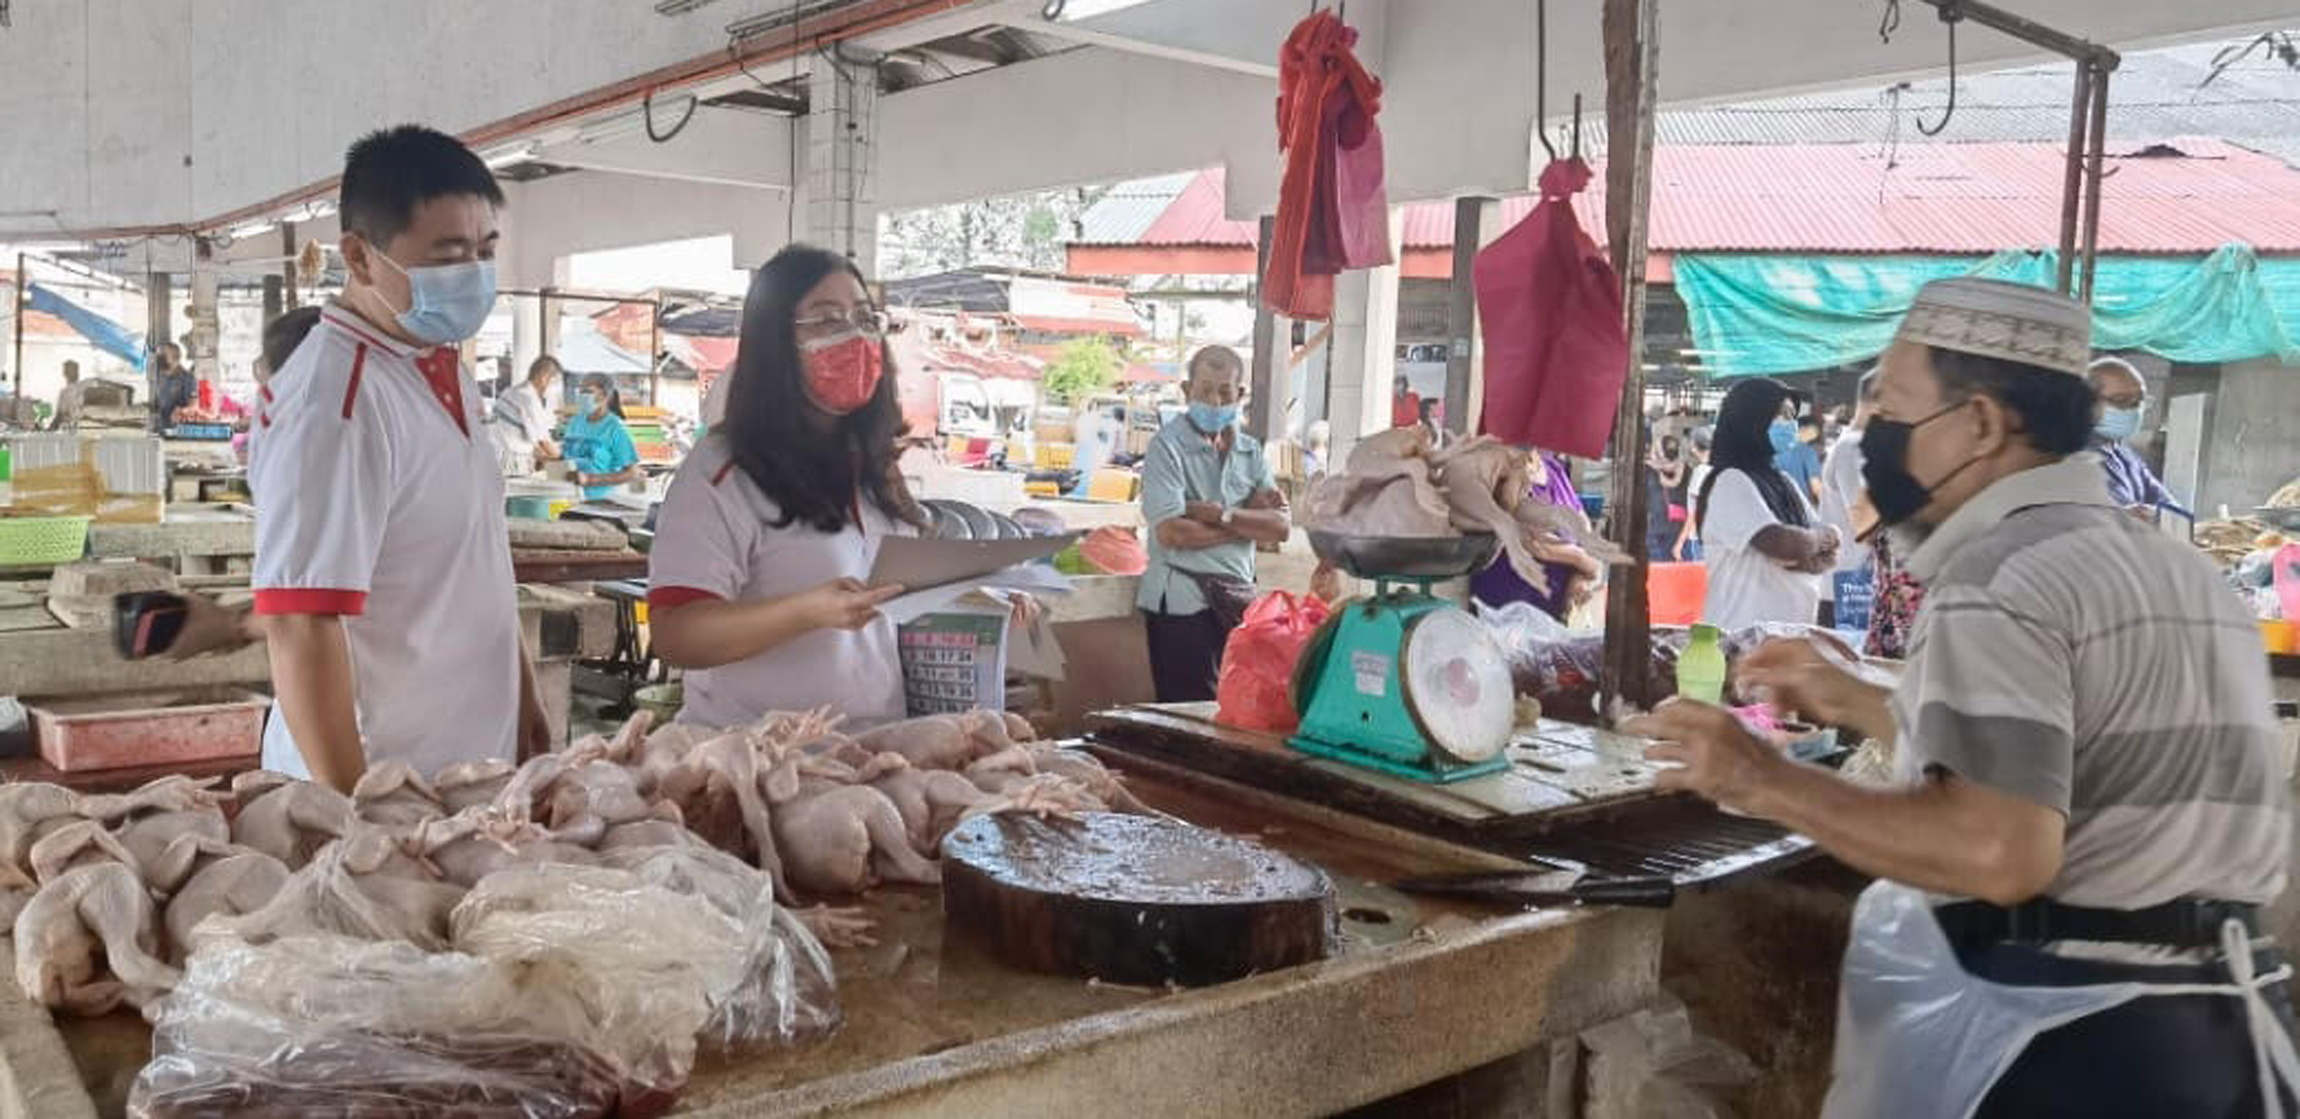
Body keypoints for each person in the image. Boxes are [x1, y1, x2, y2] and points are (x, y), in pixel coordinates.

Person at [1630, 277, 2296, 1117]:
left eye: (1897, 412)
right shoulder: (2170, 569)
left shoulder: (2003, 572)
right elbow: (2073, 759)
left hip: (2077, 1043)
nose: (1872, 438)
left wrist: (1757, 775)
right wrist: (1858, 698)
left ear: (1981, 424)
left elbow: (2002, 847)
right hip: (2222, 1030)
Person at [251, 124, 547, 791]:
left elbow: (477, 556)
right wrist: (353, 813)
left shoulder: (438, 366)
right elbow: (301, 624)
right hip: (380, 779)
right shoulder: (336, 402)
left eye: (484, 249)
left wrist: (521, 693)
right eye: (447, 255)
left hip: (463, 766)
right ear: (358, 258)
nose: (472, 272)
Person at [646, 245, 923, 727]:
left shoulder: (873, 464)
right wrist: (807, 611)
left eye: (863, 317)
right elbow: (676, 634)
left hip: (872, 757)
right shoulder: (723, 470)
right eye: (826, 321)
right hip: (753, 765)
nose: (854, 337)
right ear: (775, 343)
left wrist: (981, 601)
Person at [1137, 345, 1291, 702]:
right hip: (1183, 606)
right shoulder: (1166, 447)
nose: (1215, 400)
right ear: (1187, 391)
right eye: (1205, 389)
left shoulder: (1251, 452)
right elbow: (1172, 532)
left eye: (1224, 391)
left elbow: (1280, 528)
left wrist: (1217, 514)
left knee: (1234, 710)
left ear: (1240, 395)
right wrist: (1246, 520)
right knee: (1188, 716)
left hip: (1237, 601)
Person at [1694, 378, 1837, 630]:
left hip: (1788, 641)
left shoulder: (1784, 482)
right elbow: (1780, 543)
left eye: (1792, 415)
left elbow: (1831, 549)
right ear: (1751, 417)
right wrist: (1811, 543)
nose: (1791, 423)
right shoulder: (1730, 481)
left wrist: (1808, 544)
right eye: (1781, 414)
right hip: (1741, 640)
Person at [1471, 448, 1601, 621]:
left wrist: (1578, 577)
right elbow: (1534, 543)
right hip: (1510, 608)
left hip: (1554, 609)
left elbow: (1583, 528)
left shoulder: (1553, 468)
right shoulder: (1502, 469)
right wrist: (1583, 561)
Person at [2087, 355, 2189, 523]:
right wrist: (2158, 518)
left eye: (2139, 401)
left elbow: (2173, 511)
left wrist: (2158, 517)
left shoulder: (2123, 454)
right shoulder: (2077, 459)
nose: (2132, 410)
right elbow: (2129, 524)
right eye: (2121, 400)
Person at [1816, 369, 1880, 628]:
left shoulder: (1856, 444)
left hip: (1852, 587)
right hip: (1851, 589)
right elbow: (1866, 522)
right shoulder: (1855, 445)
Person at [560, 373, 642, 500]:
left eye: (588, 392)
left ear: (604, 396)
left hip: (598, 502)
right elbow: (566, 457)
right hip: (568, 498)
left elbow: (632, 472)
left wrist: (591, 479)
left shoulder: (614, 428)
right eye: (580, 392)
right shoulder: (575, 422)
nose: (582, 396)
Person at [493, 355, 562, 475]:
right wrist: (565, 459)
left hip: (495, 457)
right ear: (544, 377)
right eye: (554, 381)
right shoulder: (528, 399)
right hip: (511, 463)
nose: (554, 387)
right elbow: (543, 442)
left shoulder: (510, 391)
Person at [1775, 410, 1825, 502]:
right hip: (1798, 503)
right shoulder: (1807, 452)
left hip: (1775, 501)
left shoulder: (1776, 447)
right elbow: (1816, 486)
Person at [152, 342, 196, 429]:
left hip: (179, 428)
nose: (160, 357)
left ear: (176, 357)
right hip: (161, 426)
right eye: (160, 354)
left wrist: (182, 411)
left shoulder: (187, 378)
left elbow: (193, 405)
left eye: (164, 354)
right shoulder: (160, 375)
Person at [48, 361, 86, 431]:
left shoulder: (66, 392)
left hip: (75, 429)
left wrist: (48, 431)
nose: (75, 373)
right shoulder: (82, 389)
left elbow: (59, 416)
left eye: (75, 370)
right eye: (71, 370)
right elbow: (60, 416)